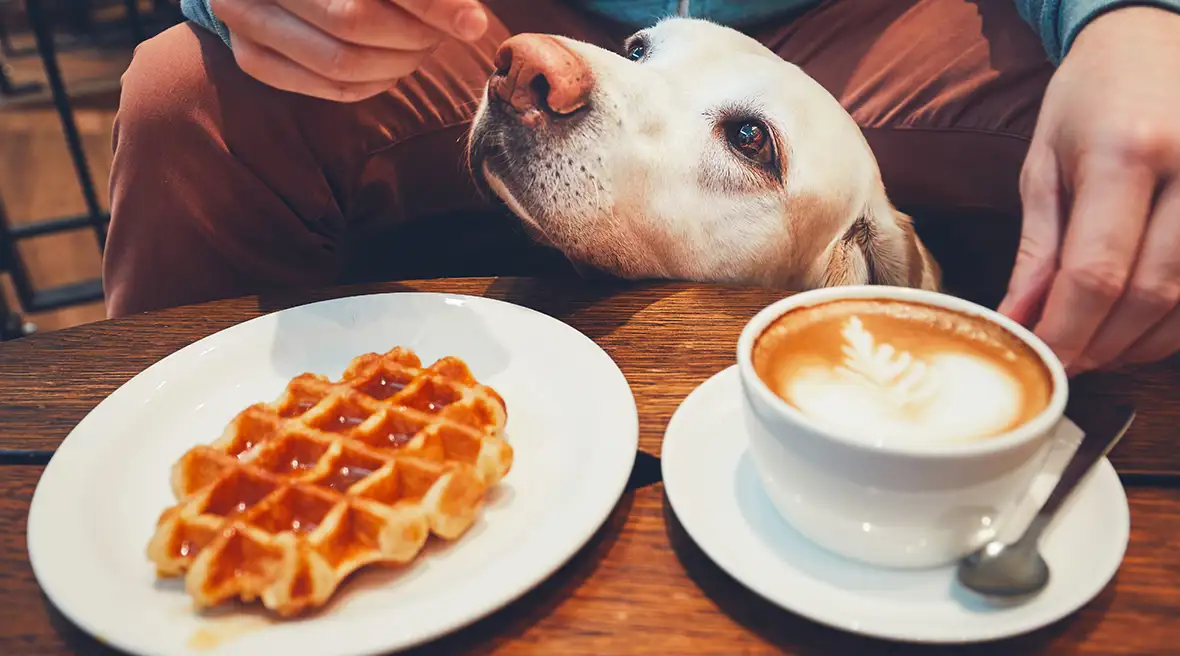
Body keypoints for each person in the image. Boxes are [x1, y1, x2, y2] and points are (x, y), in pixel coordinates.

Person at [105, 0, 1180, 375]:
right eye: (634, 56)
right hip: (514, 4)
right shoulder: (563, 64)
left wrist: (1131, 13)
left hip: (889, 14)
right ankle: (172, 445)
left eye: (748, 142)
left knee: (1141, 151)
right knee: (182, 89)